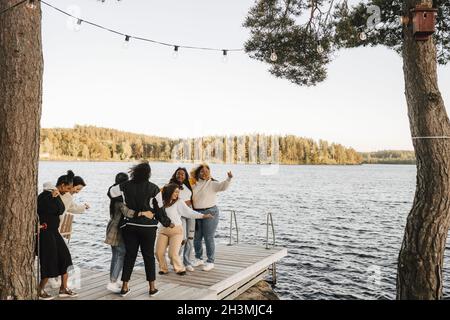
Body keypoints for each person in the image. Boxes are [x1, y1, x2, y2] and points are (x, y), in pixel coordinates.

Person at [108, 161, 172, 297]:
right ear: (148, 174)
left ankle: (125, 287)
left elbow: (111, 193)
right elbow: (159, 210)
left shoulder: (125, 186)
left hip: (130, 226)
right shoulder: (154, 188)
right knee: (148, 257)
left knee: (130, 256)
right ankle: (152, 288)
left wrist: (123, 195)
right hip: (148, 228)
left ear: (134, 172)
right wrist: (167, 223)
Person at [37, 170, 78, 300]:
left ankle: (63, 288)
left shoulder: (56, 195)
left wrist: (56, 197)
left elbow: (60, 209)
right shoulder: (45, 196)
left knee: (65, 257)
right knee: (49, 260)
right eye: (68, 188)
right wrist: (54, 197)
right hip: (46, 233)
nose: (69, 190)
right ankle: (40, 290)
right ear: (61, 185)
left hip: (55, 232)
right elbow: (56, 209)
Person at [155, 183, 212, 276]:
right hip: (163, 231)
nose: (177, 194)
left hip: (176, 231)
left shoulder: (179, 202)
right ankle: (163, 268)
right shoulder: (161, 201)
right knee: (158, 252)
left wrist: (203, 216)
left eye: (178, 192)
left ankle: (180, 269)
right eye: (175, 192)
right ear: (169, 192)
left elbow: (189, 212)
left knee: (172, 254)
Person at [191, 164, 233, 271]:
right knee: (197, 238)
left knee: (208, 237)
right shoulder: (193, 184)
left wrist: (229, 178)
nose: (204, 173)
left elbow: (223, 186)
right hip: (196, 213)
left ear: (209, 173)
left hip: (210, 212)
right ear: (198, 173)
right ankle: (198, 258)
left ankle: (210, 261)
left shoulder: (212, 183)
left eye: (206, 171)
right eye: (202, 171)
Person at [168, 167, 196, 271]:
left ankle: (187, 262)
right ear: (175, 175)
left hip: (190, 213)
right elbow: (168, 200)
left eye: (182, 174)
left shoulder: (189, 185)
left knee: (190, 238)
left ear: (185, 176)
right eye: (178, 174)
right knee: (181, 239)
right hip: (179, 214)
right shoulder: (171, 186)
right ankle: (175, 260)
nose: (180, 176)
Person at [105, 172, 129, 293]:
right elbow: (127, 213)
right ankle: (113, 282)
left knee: (116, 255)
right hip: (117, 229)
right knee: (121, 254)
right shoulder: (120, 199)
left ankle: (114, 279)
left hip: (112, 226)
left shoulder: (114, 195)